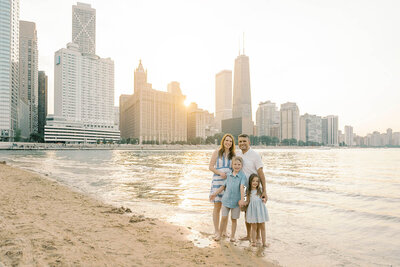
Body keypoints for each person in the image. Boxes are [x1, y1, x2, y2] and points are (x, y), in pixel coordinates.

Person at [236, 133, 268, 242]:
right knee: (247, 212)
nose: (242, 143)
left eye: (244, 141)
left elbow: (261, 173)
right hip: (244, 189)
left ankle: (258, 237)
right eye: (240, 141)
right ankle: (249, 235)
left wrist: (264, 191)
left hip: (255, 189)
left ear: (249, 142)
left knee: (257, 212)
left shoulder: (255, 155)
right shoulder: (238, 154)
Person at [210, 156, 246, 242]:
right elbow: (223, 186)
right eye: (235, 164)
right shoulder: (228, 175)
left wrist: (242, 199)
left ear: (241, 166)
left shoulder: (242, 176)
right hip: (226, 201)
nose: (237, 166)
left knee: (234, 219)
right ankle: (219, 234)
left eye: (239, 164)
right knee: (224, 218)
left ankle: (232, 236)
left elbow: (242, 188)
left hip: (236, 202)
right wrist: (214, 194)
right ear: (232, 165)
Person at [208, 133, 235, 237]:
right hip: (217, 181)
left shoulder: (233, 155)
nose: (228, 142)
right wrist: (220, 173)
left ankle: (224, 230)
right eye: (226, 140)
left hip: (228, 183)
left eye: (230, 141)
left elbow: (235, 169)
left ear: (232, 143)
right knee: (217, 206)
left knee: (226, 207)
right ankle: (216, 231)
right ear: (223, 141)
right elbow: (210, 167)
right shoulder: (217, 152)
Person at [245, 173, 269, 247]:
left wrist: (264, 199)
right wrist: (243, 202)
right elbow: (247, 201)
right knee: (254, 226)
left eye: (257, 181)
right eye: (253, 181)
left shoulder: (260, 190)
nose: (255, 183)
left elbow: (264, 198)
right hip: (252, 211)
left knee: (262, 226)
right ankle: (253, 241)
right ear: (250, 182)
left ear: (259, 183)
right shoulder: (248, 191)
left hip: (260, 210)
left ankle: (264, 242)